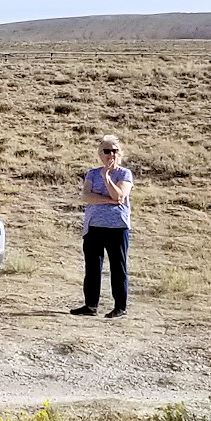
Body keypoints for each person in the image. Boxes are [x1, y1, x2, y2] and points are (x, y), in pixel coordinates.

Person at [72, 135, 133, 318]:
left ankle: (120, 307)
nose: (110, 154)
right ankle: (90, 305)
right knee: (92, 267)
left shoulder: (124, 174)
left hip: (117, 227)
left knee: (118, 267)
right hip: (94, 226)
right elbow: (86, 196)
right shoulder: (91, 173)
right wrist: (108, 200)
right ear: (100, 154)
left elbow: (120, 195)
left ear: (119, 153)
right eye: (106, 151)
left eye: (114, 150)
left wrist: (107, 178)